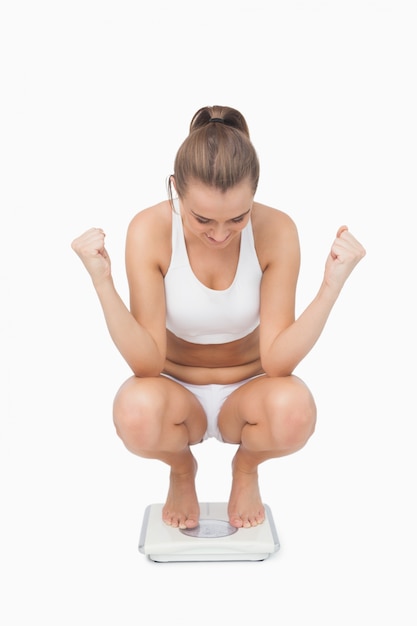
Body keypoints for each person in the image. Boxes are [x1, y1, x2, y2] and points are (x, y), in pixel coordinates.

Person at [71, 105, 366, 531]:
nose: (221, 234)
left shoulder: (278, 230)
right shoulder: (149, 230)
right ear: (176, 190)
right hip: (175, 392)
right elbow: (147, 365)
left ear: (254, 195)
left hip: (248, 392)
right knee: (135, 411)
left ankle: (245, 470)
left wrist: (332, 284)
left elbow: (279, 362)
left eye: (238, 218)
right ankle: (181, 469)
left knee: (295, 410)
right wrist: (102, 281)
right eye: (202, 218)